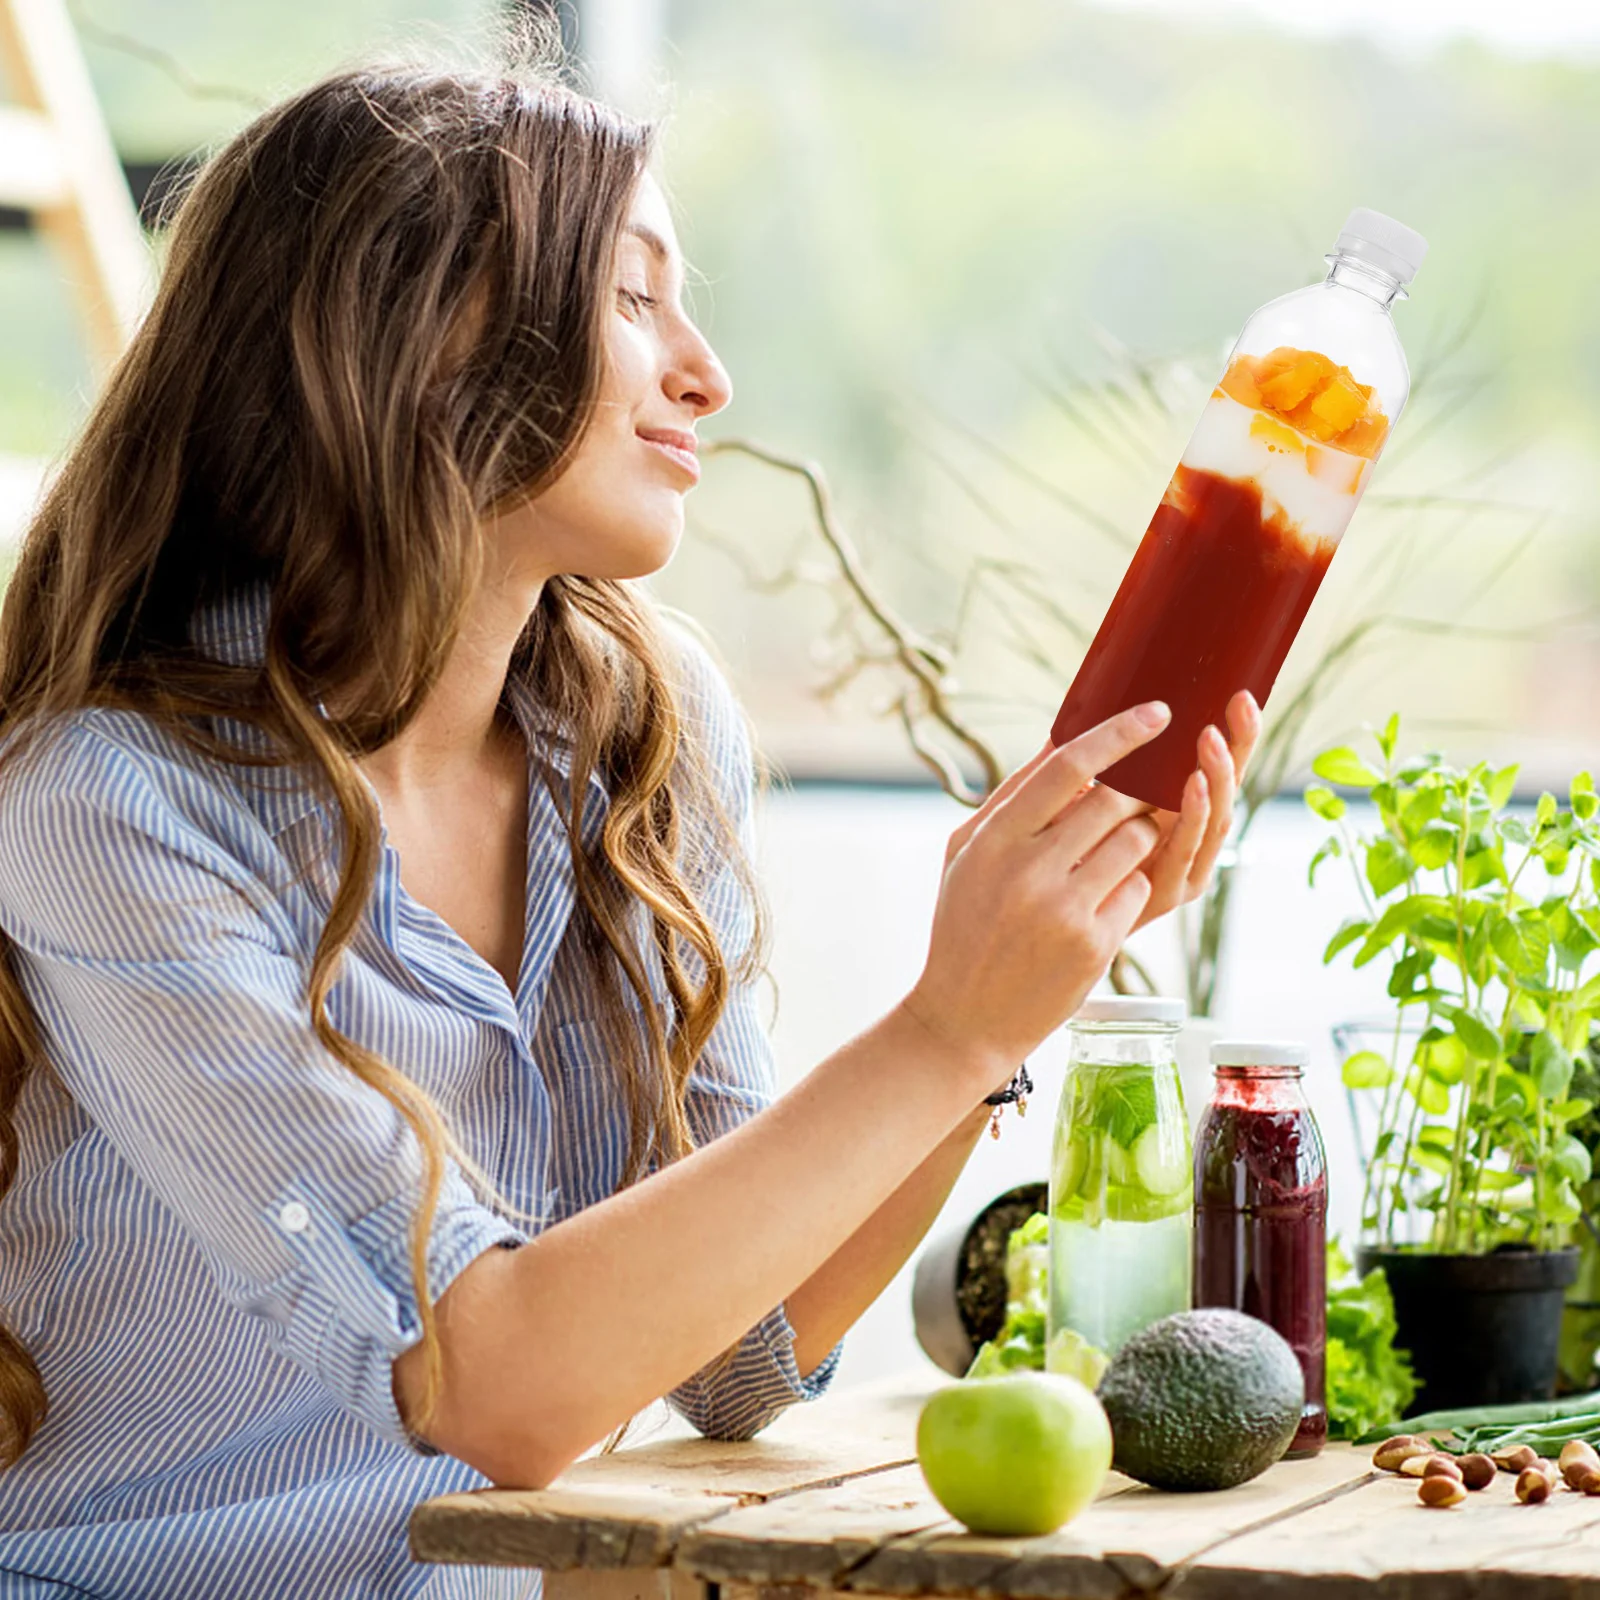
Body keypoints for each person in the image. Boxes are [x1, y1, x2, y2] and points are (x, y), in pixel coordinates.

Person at [0, 51, 1257, 1600]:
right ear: (428, 341)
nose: (708, 374)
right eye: (635, 299)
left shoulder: (637, 730)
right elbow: (492, 1389)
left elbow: (745, 1353)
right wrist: (938, 1027)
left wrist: (1007, 1004)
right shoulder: (111, 804)